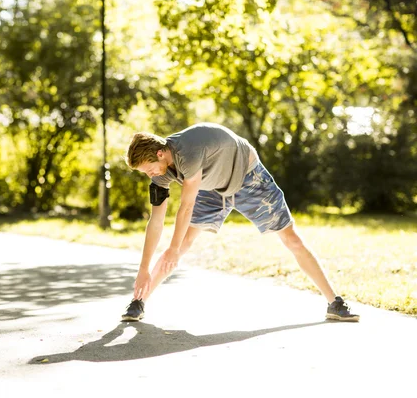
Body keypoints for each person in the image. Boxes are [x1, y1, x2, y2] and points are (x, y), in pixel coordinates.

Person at [122, 122, 359, 322]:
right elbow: (156, 221)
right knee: (182, 244)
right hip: (211, 184)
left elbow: (186, 207)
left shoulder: (187, 151)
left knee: (291, 238)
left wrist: (173, 249)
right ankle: (138, 302)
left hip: (249, 177)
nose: (150, 174)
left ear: (160, 153)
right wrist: (143, 269)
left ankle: (335, 303)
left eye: (148, 169)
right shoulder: (160, 173)